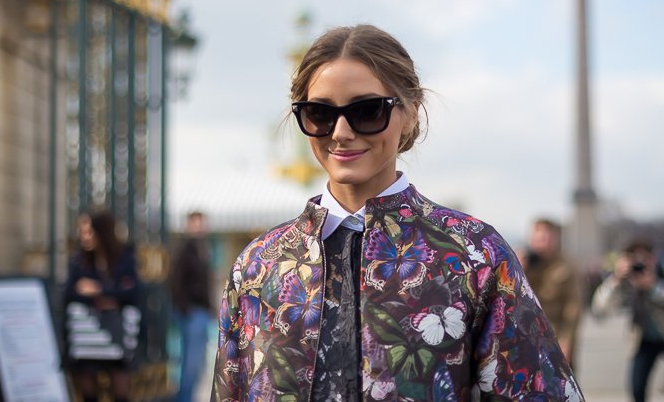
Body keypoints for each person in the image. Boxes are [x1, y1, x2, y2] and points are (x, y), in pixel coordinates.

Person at [210, 24, 583, 402]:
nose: (340, 132)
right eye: (320, 112)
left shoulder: (476, 255)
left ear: (410, 112)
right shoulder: (258, 267)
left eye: (367, 110)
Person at [591, 238, 664, 402]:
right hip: (644, 338)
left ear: (653, 258)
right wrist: (615, 279)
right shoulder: (625, 280)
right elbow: (600, 309)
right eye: (635, 260)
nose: (640, 266)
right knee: (637, 388)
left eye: (644, 259)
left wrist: (653, 286)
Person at [63, 210, 140, 402]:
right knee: (89, 393)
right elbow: (70, 293)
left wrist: (98, 290)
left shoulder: (125, 258)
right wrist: (107, 298)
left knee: (120, 392)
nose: (84, 236)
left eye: (89, 231)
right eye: (81, 231)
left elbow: (134, 291)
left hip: (117, 336)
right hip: (88, 337)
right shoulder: (79, 261)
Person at [519, 218, 582, 368]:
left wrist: (567, 341)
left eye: (547, 238)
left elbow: (573, 308)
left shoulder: (566, 266)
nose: (543, 243)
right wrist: (516, 269)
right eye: (538, 238)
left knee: (560, 388)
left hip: (555, 336)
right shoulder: (521, 263)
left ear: (556, 239)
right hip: (525, 338)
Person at [169, 211, 213, 402]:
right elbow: (174, 281)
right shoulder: (185, 249)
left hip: (200, 312)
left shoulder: (202, 248)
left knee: (198, 365)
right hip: (192, 313)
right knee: (190, 365)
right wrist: (185, 308)